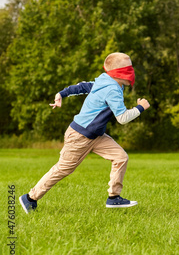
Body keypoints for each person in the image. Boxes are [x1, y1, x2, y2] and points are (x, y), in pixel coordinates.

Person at [19, 52, 150, 213]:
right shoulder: (112, 89)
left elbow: (82, 87)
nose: (132, 71)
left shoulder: (106, 80)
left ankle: (114, 198)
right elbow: (122, 118)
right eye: (128, 68)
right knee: (63, 169)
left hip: (96, 135)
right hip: (79, 136)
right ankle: (30, 198)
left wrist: (62, 93)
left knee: (120, 157)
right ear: (119, 72)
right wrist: (140, 107)